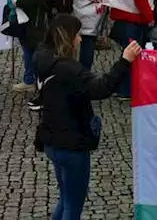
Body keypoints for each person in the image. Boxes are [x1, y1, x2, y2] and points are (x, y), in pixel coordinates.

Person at [34, 14, 141, 220]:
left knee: (65, 199)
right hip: (72, 144)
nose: (80, 39)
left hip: (51, 140)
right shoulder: (70, 70)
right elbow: (101, 88)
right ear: (68, 37)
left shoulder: (42, 58)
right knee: (73, 207)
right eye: (77, 35)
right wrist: (125, 61)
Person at [103, 0, 153, 98]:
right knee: (132, 55)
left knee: (125, 53)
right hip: (134, 15)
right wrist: (149, 15)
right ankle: (127, 89)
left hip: (119, 10)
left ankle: (120, 86)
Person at [10, 0, 44, 93]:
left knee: (28, 49)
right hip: (36, 15)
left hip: (23, 14)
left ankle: (30, 79)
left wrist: (16, 3)